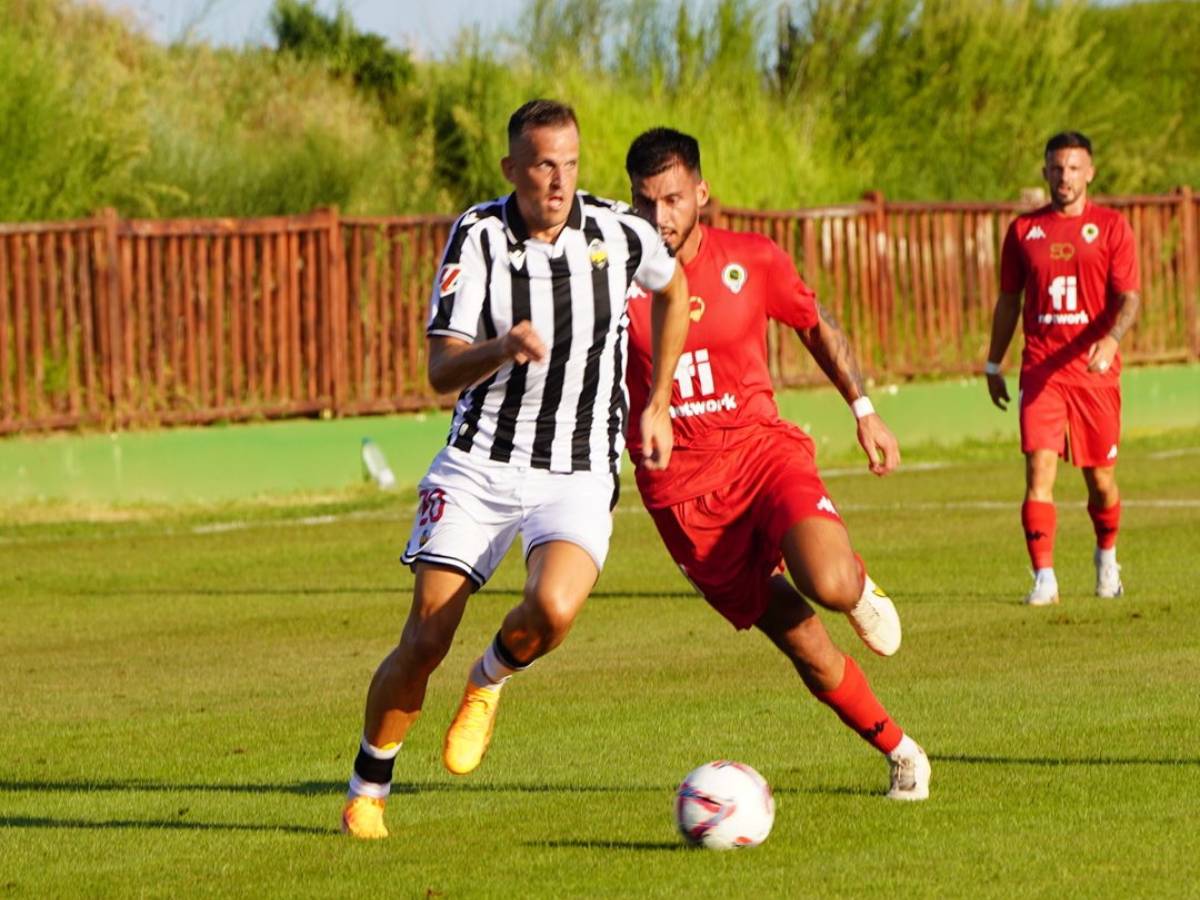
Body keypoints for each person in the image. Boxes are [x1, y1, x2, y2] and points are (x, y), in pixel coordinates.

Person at [340, 100, 691, 839]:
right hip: (479, 465)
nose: (558, 181)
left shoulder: (619, 234)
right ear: (512, 169)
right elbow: (440, 369)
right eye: (542, 165)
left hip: (577, 469)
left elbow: (673, 287)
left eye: (569, 163)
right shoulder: (479, 236)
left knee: (554, 611)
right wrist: (500, 348)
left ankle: (489, 679)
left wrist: (656, 402)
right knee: (427, 635)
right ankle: (368, 786)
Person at [622, 127, 930, 801]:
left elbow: (814, 322)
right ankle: (902, 752)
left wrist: (864, 407)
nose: (660, 219)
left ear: (702, 193)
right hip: (682, 498)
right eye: (645, 203)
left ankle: (859, 584)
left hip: (763, 455)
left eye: (673, 199)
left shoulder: (751, 260)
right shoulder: (610, 283)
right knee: (806, 648)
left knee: (833, 583)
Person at [985, 131, 1141, 606]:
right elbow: (1009, 300)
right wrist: (994, 362)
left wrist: (1112, 342)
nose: (1065, 177)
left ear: (1090, 172)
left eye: (1074, 168)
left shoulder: (1112, 227)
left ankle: (1107, 558)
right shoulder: (1023, 232)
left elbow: (1130, 297)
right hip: (1041, 371)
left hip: (1093, 373)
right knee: (1039, 469)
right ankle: (1044, 578)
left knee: (1100, 481)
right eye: (1057, 168)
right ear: (1045, 172)